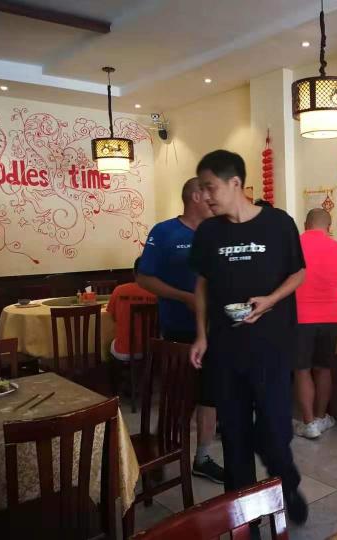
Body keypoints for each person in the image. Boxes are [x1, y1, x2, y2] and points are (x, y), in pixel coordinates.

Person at [189, 150, 308, 534]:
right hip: (226, 352)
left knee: (274, 435)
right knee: (235, 440)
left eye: (210, 187)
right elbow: (202, 285)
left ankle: (287, 487)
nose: (204, 196)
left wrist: (271, 300)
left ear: (235, 183)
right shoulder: (208, 232)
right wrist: (201, 335)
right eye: (201, 189)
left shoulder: (278, 223)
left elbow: (299, 273)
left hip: (271, 349)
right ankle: (244, 524)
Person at [137, 177, 225, 484]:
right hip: (179, 330)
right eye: (209, 192)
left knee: (210, 396)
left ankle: (202, 457)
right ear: (196, 196)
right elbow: (144, 278)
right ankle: (163, 451)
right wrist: (184, 297)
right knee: (177, 397)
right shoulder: (164, 232)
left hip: (215, 330)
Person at [294, 208, 337, 439]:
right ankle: (321, 417)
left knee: (302, 369)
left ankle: (308, 423)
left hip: (299, 317)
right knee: (323, 368)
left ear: (305, 224)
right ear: (329, 227)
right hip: (329, 317)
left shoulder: (294, 245)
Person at [106, 257, 157, 362]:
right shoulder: (158, 293)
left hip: (122, 351)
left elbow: (113, 318)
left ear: (134, 272)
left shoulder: (119, 290)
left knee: (108, 343)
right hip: (151, 351)